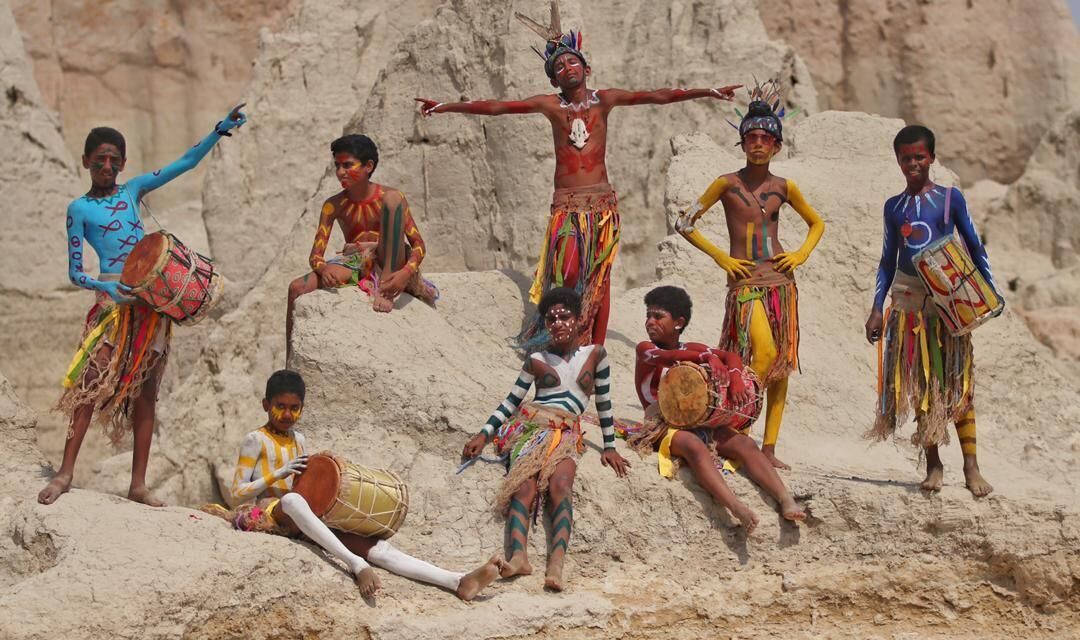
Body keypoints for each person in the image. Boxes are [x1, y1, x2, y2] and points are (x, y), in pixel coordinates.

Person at [416, 1, 739, 348]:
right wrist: (446, 105)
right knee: (568, 272)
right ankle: (561, 335)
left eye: (573, 61)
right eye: (559, 65)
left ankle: (592, 347)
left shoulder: (605, 100)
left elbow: (657, 96)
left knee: (599, 278)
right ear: (554, 77)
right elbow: (498, 107)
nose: (567, 67)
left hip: (601, 206)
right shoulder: (550, 105)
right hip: (567, 207)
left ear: (586, 67)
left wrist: (707, 91)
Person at [39, 104, 248, 506]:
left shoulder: (133, 190)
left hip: (151, 308)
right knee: (88, 386)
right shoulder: (78, 210)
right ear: (85, 162)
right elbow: (75, 273)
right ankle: (65, 473)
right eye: (99, 159)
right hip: (113, 308)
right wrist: (107, 288)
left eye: (114, 159)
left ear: (123, 163)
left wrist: (218, 130)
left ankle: (138, 485)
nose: (107, 165)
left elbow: (185, 163)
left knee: (147, 393)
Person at [207, 370, 503, 600]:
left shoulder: (300, 440)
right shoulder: (254, 440)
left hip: (302, 518)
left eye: (294, 408)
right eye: (280, 407)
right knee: (291, 501)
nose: (287, 414)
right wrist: (278, 473)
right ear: (265, 405)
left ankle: (456, 580)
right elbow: (237, 494)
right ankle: (356, 566)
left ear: (303, 408)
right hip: (269, 515)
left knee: (379, 549)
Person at [676, 80, 825, 470]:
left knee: (781, 368)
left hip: (781, 284)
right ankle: (732, 430)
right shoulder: (727, 184)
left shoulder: (784, 186)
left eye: (765, 138)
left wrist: (801, 254)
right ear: (741, 143)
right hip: (744, 284)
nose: (758, 143)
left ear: (777, 145)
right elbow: (684, 222)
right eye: (751, 137)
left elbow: (816, 224)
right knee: (764, 355)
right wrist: (721, 259)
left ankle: (769, 448)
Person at [461, 287, 630, 591]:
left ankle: (556, 563)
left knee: (560, 486)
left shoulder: (596, 354)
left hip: (566, 434)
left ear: (579, 320)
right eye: (551, 319)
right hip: (532, 429)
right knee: (522, 488)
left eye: (565, 316)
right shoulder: (536, 360)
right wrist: (484, 434)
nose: (558, 323)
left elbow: (604, 402)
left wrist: (610, 447)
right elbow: (510, 402)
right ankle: (518, 557)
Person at [864, 125, 995, 497]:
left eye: (919, 156)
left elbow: (973, 243)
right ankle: (934, 464)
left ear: (932, 158)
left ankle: (971, 465)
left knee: (957, 381)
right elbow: (888, 260)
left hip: (950, 297)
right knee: (919, 383)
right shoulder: (894, 207)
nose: (913, 164)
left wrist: (988, 293)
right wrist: (877, 308)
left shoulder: (950, 199)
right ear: (898, 161)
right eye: (906, 158)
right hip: (908, 300)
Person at [627, 286, 805, 531]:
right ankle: (735, 506)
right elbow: (669, 358)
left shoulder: (695, 348)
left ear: (678, 323)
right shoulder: (645, 349)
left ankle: (785, 499)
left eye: (658, 316)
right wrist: (706, 358)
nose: (650, 322)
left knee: (746, 444)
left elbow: (731, 357)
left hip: (700, 420)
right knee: (693, 446)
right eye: (648, 316)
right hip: (661, 422)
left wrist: (734, 376)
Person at [286, 135, 437, 356]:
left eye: (347, 165)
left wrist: (406, 273)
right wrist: (324, 269)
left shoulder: (389, 196)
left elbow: (419, 245)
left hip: (390, 259)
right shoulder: (333, 205)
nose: (340, 172)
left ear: (369, 166)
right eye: (337, 165)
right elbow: (316, 255)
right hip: (356, 262)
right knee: (296, 287)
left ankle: (385, 289)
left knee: (394, 198)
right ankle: (289, 359)